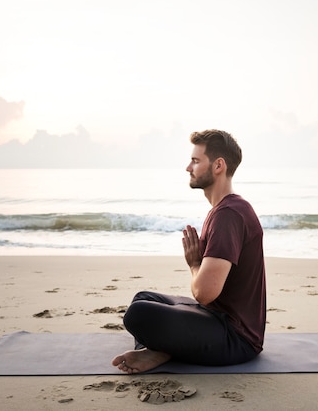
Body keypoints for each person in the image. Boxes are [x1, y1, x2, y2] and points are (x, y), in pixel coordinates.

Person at [112, 129, 266, 374]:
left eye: (195, 161)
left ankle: (160, 350)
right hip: (216, 318)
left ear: (218, 166)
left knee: (139, 314)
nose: (188, 167)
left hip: (235, 338)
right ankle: (159, 350)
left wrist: (194, 264)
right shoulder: (226, 209)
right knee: (144, 298)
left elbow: (205, 293)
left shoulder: (228, 214)